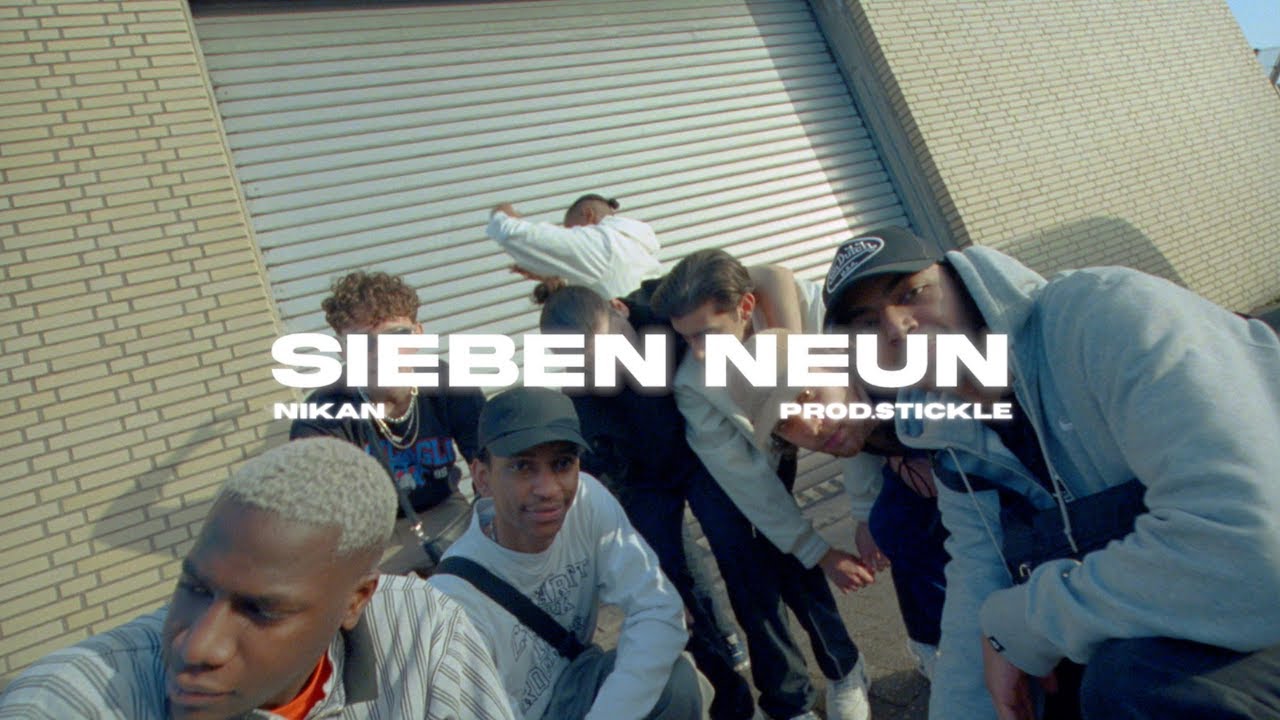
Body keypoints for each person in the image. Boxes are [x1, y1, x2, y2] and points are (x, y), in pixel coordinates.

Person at [821, 224, 1280, 720]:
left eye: (912, 293)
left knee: (1135, 683)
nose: (895, 328)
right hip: (1192, 607)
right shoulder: (947, 433)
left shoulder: (1107, 316)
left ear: (961, 280)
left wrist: (1025, 621)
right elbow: (978, 581)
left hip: (1253, 599)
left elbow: (1253, 557)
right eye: (866, 324)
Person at [0, 438, 514, 720]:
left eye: (262, 610)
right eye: (196, 588)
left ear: (355, 600)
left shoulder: (422, 629)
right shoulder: (67, 699)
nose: (198, 645)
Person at [650, 249, 872, 720]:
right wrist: (818, 549)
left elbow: (858, 421)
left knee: (792, 557)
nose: (699, 351)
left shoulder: (807, 312)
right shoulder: (693, 380)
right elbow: (748, 479)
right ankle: (790, 699)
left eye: (708, 333)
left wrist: (866, 513)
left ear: (746, 307)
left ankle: (844, 668)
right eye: (687, 338)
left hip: (792, 432)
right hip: (737, 457)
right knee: (752, 565)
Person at [429, 386, 705, 720]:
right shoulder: (452, 599)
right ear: (482, 478)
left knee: (677, 681)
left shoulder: (586, 500)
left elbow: (659, 608)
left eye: (562, 464)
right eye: (522, 466)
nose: (548, 489)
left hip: (581, 684)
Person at [727, 328, 949, 681]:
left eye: (808, 396)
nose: (811, 427)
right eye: (785, 424)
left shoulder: (930, 382)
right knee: (892, 523)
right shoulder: (860, 412)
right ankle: (937, 642)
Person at [291, 270, 485, 575]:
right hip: (371, 533)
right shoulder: (323, 413)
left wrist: (491, 522)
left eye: (396, 336)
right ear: (342, 348)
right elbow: (319, 512)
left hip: (445, 510)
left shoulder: (449, 383)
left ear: (418, 334)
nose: (381, 353)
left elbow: (490, 462)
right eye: (362, 342)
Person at [487, 193, 662, 299]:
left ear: (588, 214)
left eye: (571, 230)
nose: (571, 235)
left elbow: (510, 233)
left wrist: (502, 213)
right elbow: (607, 284)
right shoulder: (632, 241)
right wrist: (556, 277)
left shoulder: (601, 243)